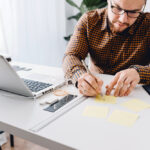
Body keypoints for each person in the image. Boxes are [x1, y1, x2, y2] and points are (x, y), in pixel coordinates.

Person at [63, 0, 150, 97]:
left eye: (133, 12)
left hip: (135, 93)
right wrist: (80, 76)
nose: (123, 19)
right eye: (117, 8)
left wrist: (139, 72)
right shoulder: (89, 21)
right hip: (96, 91)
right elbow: (71, 55)